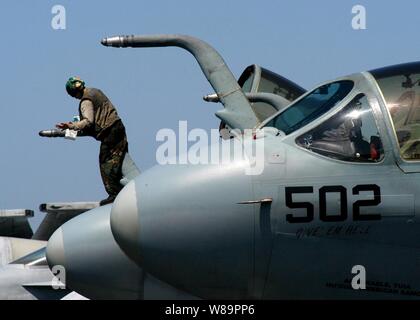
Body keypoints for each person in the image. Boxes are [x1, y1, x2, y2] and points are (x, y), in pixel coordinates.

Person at [57, 77, 128, 206]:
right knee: (119, 163)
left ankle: (115, 194)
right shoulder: (95, 91)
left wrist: (71, 126)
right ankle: (123, 191)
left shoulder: (85, 101)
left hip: (110, 133)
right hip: (118, 128)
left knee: (106, 162)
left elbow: (88, 122)